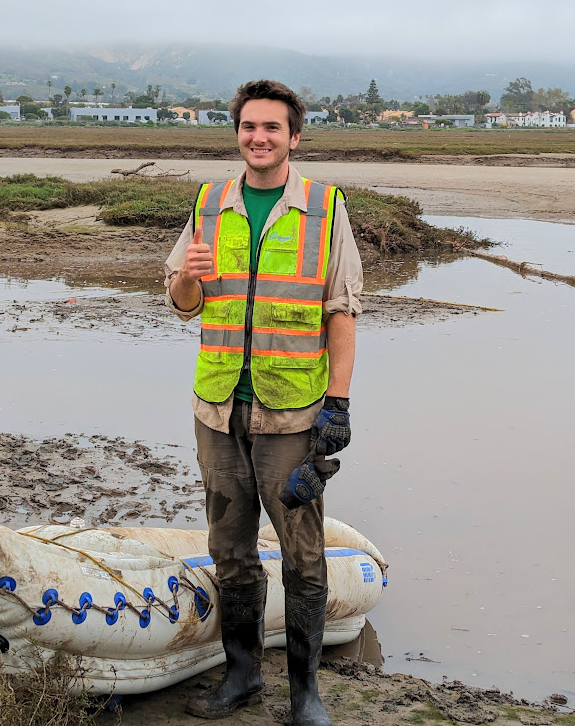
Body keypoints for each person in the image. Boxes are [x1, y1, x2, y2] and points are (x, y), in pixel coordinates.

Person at [165, 79, 362, 726]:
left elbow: (341, 313)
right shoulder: (210, 202)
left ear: (294, 136)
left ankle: (305, 692)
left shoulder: (324, 208)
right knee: (231, 552)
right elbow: (183, 301)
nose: (259, 137)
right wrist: (188, 279)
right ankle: (242, 675)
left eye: (272, 128)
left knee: (303, 556)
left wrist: (338, 404)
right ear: (238, 133)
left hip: (291, 416)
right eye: (249, 126)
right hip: (218, 410)